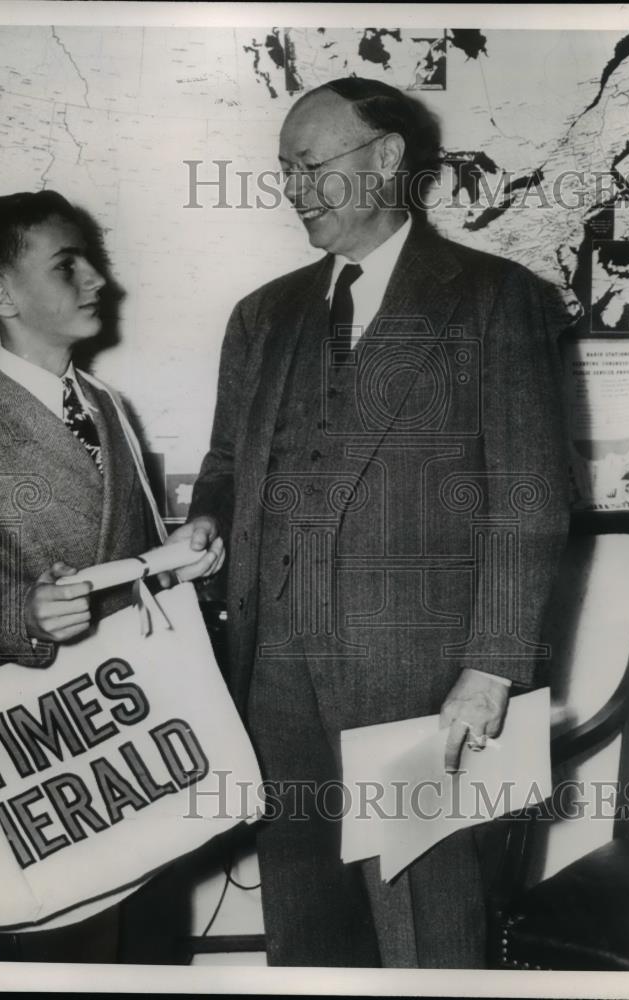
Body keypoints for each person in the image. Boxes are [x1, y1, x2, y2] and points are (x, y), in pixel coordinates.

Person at [184, 78, 570, 967]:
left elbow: (528, 493)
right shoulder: (261, 315)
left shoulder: (494, 298)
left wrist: (491, 666)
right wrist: (209, 523)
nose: (294, 188)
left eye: (312, 164)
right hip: (272, 673)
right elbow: (227, 465)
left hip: (422, 682)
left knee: (428, 932)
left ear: (388, 158)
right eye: (285, 170)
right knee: (309, 925)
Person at [0, 190, 223, 962]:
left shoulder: (107, 405)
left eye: (91, 260)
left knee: (154, 955)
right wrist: (22, 613)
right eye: (68, 265)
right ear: (0, 295)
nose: (98, 280)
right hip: (49, 757)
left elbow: (128, 551)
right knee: (68, 957)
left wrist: (180, 557)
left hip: (145, 745)